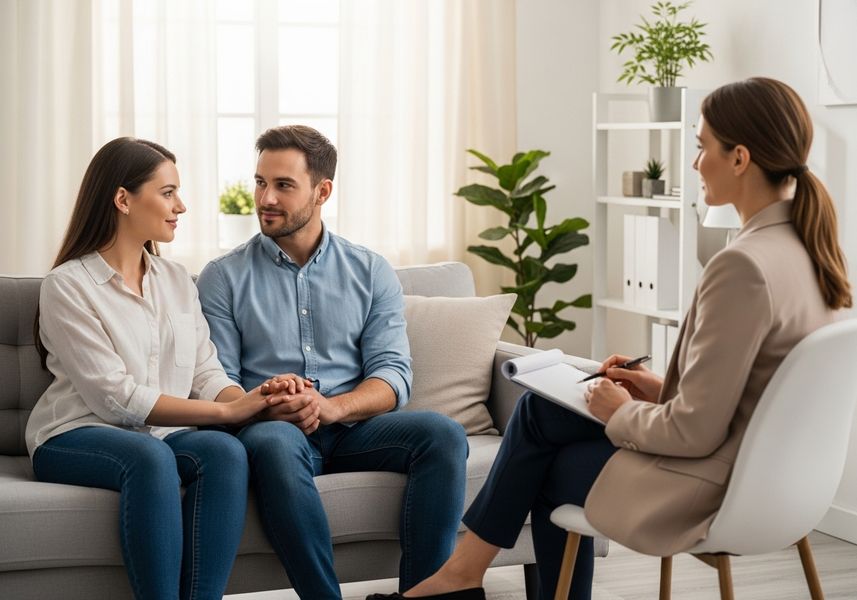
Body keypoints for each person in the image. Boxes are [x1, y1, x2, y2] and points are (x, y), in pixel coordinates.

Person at [367, 77, 853, 600]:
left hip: (713, 487)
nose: (694, 164)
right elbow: (752, 398)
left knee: (546, 460)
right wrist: (655, 387)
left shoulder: (743, 266)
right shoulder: (813, 252)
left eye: (701, 147)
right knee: (539, 413)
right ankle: (460, 578)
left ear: (739, 158)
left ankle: (459, 578)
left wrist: (618, 410)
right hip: (781, 488)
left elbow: (695, 433)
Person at [196, 125, 469, 600]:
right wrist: (265, 404)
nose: (266, 198)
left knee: (442, 434)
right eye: (261, 182)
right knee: (278, 443)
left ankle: (423, 596)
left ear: (322, 191)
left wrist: (333, 408)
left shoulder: (370, 270)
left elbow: (393, 374)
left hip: (353, 428)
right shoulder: (223, 277)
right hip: (272, 428)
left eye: (283, 185)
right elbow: (219, 381)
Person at [26, 137, 293, 600]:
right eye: (167, 193)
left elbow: (205, 374)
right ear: (123, 199)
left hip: (156, 436)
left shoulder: (175, 280)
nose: (181, 206)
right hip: (73, 434)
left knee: (226, 453)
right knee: (149, 458)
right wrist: (229, 416)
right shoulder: (67, 285)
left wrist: (253, 401)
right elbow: (116, 398)